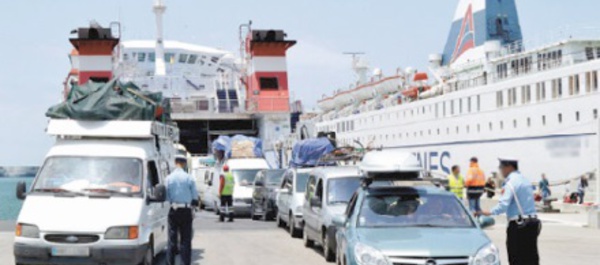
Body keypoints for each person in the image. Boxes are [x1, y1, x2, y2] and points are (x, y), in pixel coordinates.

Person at [478, 158, 540, 265]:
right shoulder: (525, 181)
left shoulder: (510, 184)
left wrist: (486, 212)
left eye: (501, 167)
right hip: (532, 224)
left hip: (519, 226)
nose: (500, 171)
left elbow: (503, 206)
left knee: (516, 258)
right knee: (531, 258)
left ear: (509, 167)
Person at [166, 156, 199, 265]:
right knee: (185, 240)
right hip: (186, 210)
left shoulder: (169, 178)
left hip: (173, 210)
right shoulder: (189, 178)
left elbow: (166, 196)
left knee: (172, 240)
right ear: (184, 164)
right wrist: (193, 207)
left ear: (175, 163)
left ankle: (170, 263)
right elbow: (195, 196)